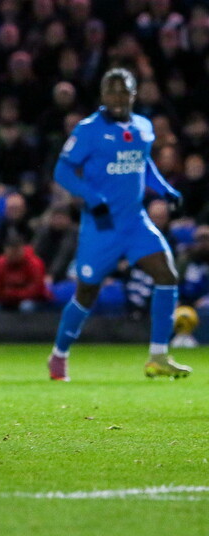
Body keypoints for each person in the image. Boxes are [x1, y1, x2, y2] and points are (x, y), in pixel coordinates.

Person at [48, 68, 191, 380]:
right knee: (87, 292)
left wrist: (166, 190)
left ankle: (158, 356)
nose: (117, 97)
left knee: (167, 274)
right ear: (102, 95)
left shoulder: (143, 125)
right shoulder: (88, 130)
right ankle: (59, 355)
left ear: (133, 94)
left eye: (123, 90)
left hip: (135, 222)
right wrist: (92, 197)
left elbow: (143, 162)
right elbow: (63, 170)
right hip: (101, 228)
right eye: (111, 91)